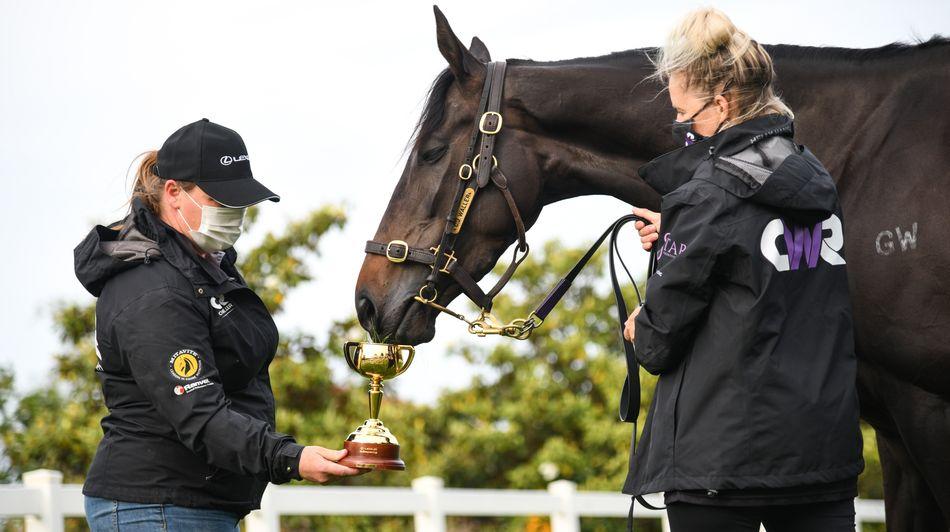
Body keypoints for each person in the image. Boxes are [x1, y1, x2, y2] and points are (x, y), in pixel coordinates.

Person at [620, 8, 864, 532]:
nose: (685, 128)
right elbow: (762, 258)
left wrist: (639, 323)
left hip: (722, 465)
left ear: (724, 103)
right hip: (821, 461)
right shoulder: (816, 178)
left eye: (687, 116)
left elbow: (658, 343)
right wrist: (680, 234)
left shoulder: (705, 197)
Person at [74, 118, 363, 531]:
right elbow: (201, 415)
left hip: (191, 502)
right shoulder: (153, 289)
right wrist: (291, 458)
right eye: (220, 200)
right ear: (174, 192)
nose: (234, 213)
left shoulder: (202, 269)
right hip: (156, 505)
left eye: (240, 202)